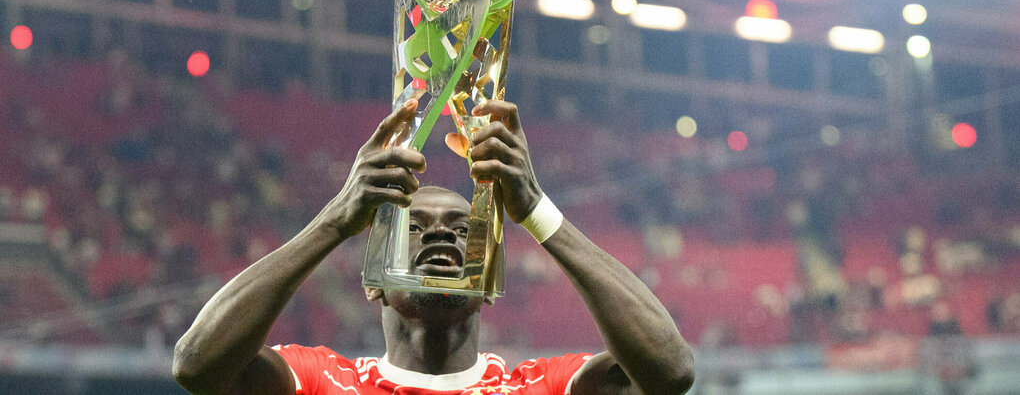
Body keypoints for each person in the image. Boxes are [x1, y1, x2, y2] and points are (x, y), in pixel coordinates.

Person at [172, 99, 695, 395]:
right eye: (416, 226)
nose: (441, 232)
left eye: (461, 227)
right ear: (373, 281)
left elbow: (671, 372)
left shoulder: (541, 387)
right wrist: (335, 219)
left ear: (489, 284)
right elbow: (197, 365)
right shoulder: (320, 380)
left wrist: (534, 207)